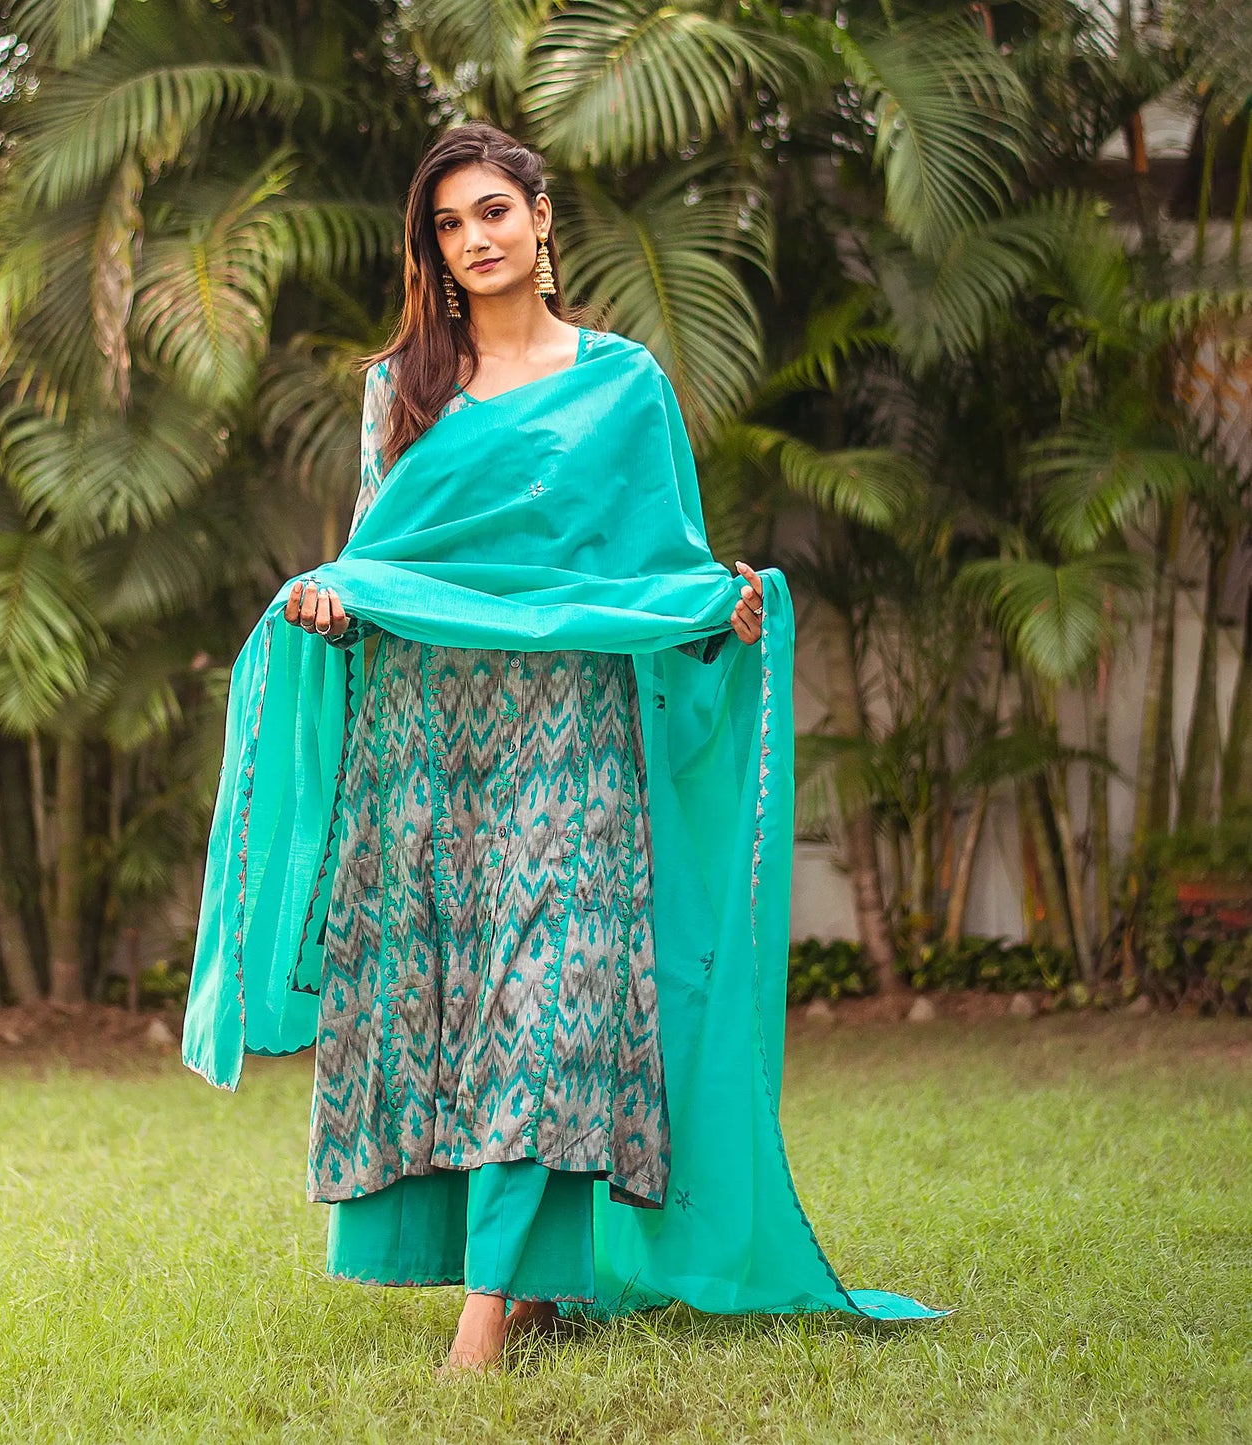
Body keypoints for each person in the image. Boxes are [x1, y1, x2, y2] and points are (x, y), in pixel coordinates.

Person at [181, 121, 947, 1378]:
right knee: (452, 1010)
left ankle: (482, 1315)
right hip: (427, 734)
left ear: (543, 220)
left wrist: (721, 609)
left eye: (492, 211)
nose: (472, 239)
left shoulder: (624, 385)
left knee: (554, 999)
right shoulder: (401, 387)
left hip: (572, 733)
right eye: (446, 223)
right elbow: (383, 558)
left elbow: (662, 565)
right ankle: (531, 1280)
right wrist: (327, 597)